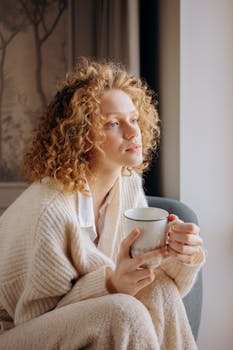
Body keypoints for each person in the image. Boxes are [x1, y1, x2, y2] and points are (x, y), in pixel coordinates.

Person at [0, 57, 205, 350]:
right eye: (113, 123)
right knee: (125, 313)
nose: (134, 132)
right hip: (15, 334)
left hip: (79, 320)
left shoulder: (128, 183)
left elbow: (162, 290)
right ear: (82, 137)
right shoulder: (50, 212)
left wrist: (181, 256)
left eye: (134, 119)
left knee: (158, 289)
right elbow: (37, 320)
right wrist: (110, 285)